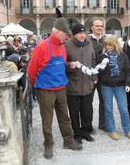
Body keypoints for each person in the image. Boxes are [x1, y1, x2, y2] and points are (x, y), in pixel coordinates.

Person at [27, 18, 82, 159]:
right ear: (57, 32)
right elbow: (31, 71)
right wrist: (38, 86)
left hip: (61, 88)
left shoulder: (62, 45)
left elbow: (61, 64)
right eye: (65, 34)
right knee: (47, 120)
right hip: (45, 90)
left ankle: (68, 141)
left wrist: (69, 65)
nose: (67, 36)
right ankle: (48, 144)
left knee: (65, 117)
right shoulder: (42, 47)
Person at [99, 35, 130, 141]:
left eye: (110, 45)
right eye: (106, 45)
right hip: (106, 85)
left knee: (124, 109)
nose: (108, 47)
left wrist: (128, 84)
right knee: (108, 109)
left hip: (120, 85)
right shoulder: (102, 56)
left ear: (115, 45)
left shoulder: (123, 55)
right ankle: (111, 130)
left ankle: (127, 130)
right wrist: (103, 65)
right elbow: (98, 71)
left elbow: (128, 71)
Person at [65, 23, 97, 145]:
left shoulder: (89, 44)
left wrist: (94, 76)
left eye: (84, 33)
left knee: (87, 111)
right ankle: (77, 134)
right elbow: (62, 63)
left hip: (87, 85)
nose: (83, 35)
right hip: (73, 85)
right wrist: (69, 65)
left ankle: (85, 132)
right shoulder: (67, 45)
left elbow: (93, 61)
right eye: (80, 33)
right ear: (74, 34)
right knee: (74, 112)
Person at [88, 17, 107, 132]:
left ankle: (103, 124)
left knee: (104, 101)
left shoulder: (106, 40)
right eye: (97, 26)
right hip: (90, 75)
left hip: (104, 76)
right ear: (92, 28)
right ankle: (88, 125)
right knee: (88, 102)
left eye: (101, 26)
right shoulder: (87, 41)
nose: (99, 28)